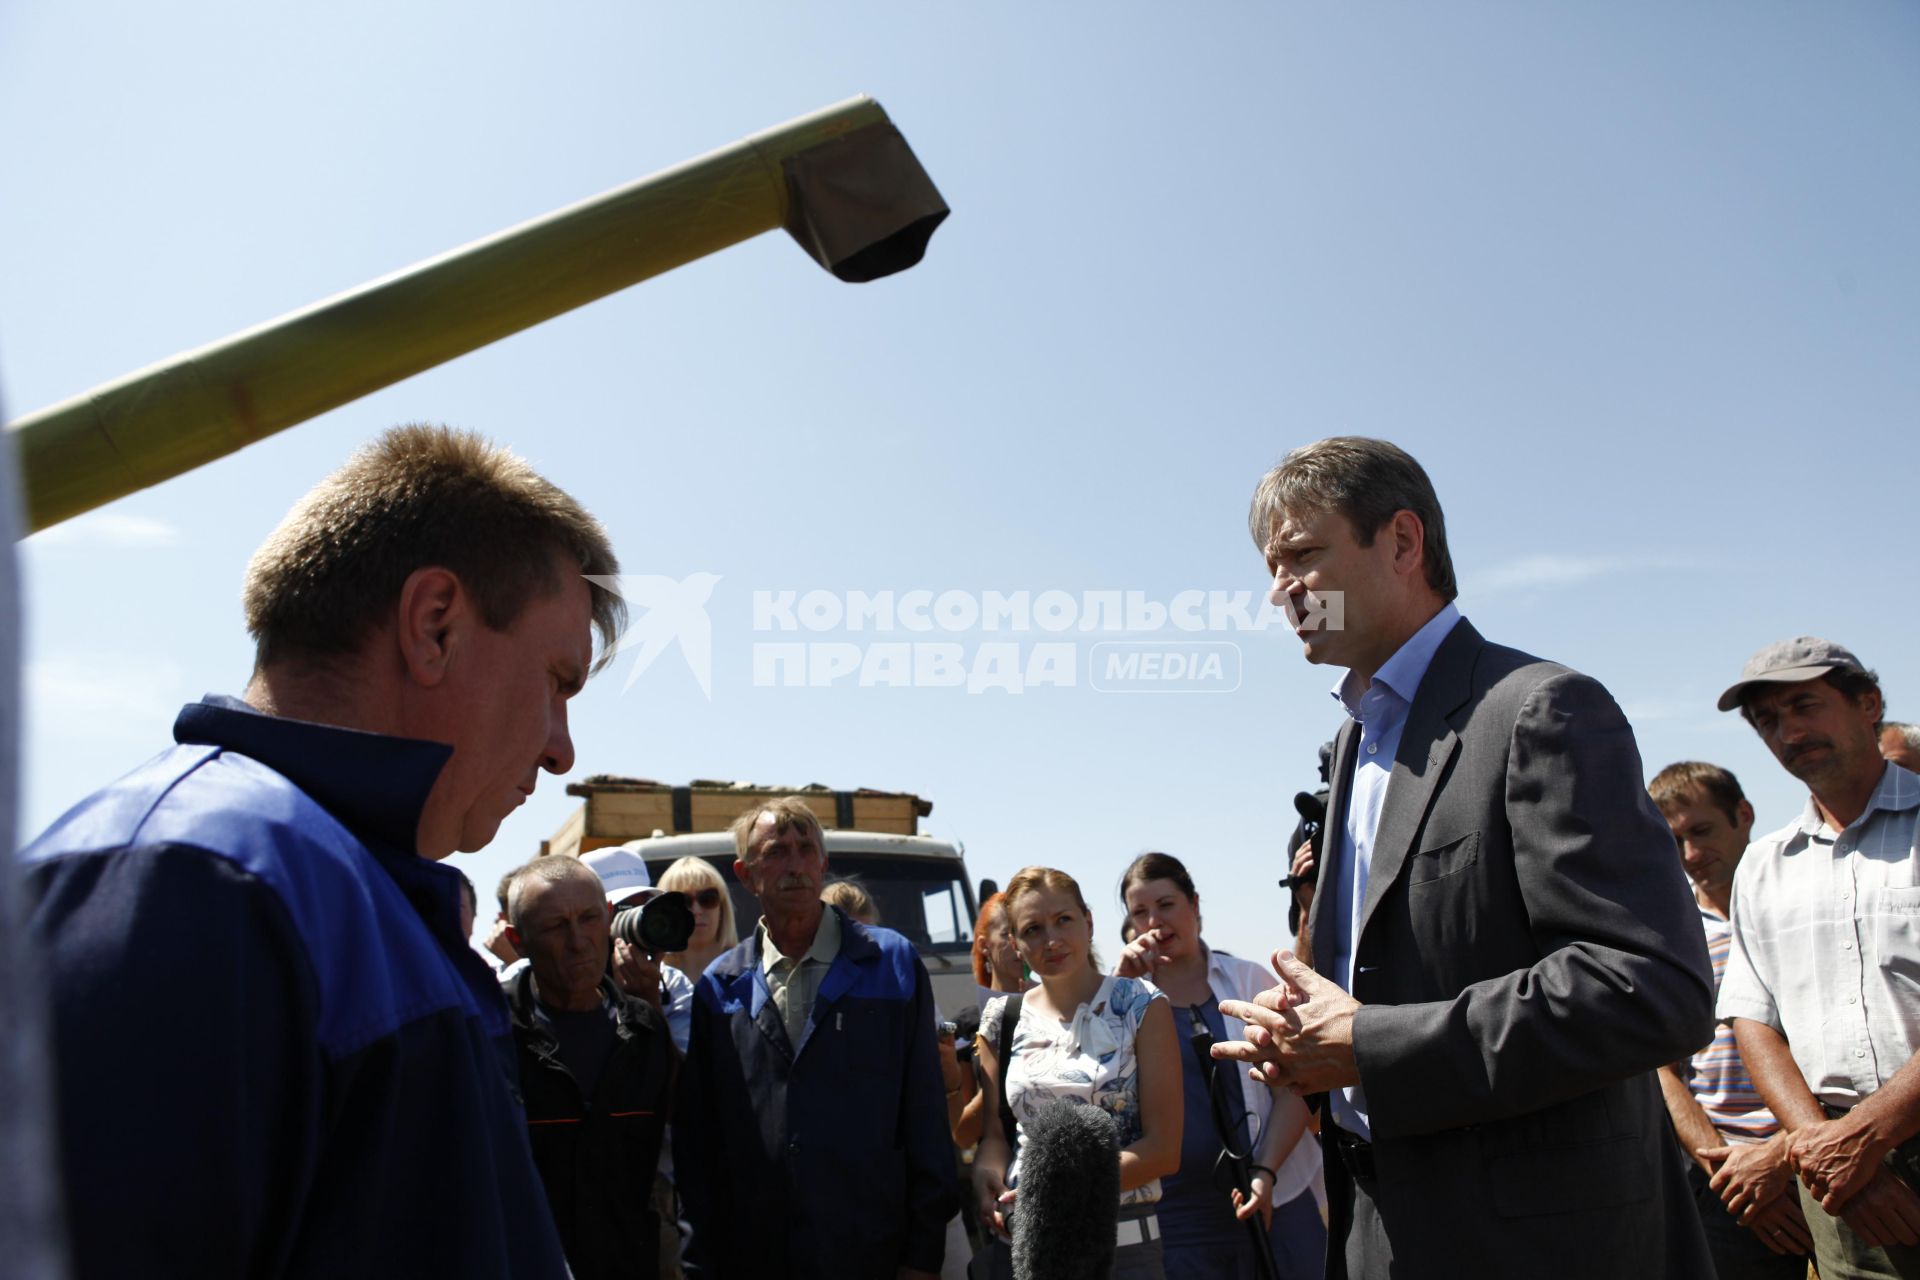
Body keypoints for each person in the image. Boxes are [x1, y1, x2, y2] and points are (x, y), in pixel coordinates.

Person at [19, 424, 623, 1277]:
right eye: (558, 682)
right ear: (436, 626)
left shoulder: (322, 885)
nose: (562, 749)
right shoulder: (190, 879)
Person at [1216, 437, 1716, 1279]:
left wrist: (1371, 1043)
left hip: (1542, 1246)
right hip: (1384, 1233)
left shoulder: (1539, 711)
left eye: (1303, 555)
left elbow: (1650, 988)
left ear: (1403, 543)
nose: (1280, 592)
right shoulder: (1350, 749)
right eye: (1272, 566)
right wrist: (1306, 1046)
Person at [676, 796, 954, 1280]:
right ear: (746, 874)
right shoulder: (720, 987)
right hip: (758, 1256)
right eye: (777, 851)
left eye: (806, 849)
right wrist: (700, 1262)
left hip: (874, 1251)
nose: (795, 864)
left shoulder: (891, 963)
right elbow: (700, 1144)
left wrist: (923, 1254)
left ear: (823, 864)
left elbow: (925, 1116)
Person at [1715, 637, 1920, 1278]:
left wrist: (1867, 1135)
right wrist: (1820, 1145)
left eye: (1805, 705)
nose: (1789, 731)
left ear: (1869, 704)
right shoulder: (1766, 863)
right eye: (1768, 720)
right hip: (1841, 1178)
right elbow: (1753, 1020)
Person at [1115, 852, 1326, 1280]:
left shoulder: (1249, 980)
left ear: (1194, 905)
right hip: (1180, 1217)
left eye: (1166, 905)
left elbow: (1296, 1085)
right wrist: (1118, 992)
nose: (1154, 921)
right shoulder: (1121, 999)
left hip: (1278, 1194)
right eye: (1140, 912)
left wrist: (1264, 1172)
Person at [974, 865, 1181, 1279]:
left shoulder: (1142, 1005)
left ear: (1088, 921)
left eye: (1063, 920)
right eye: (1032, 929)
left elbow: (1163, 1149)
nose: (1051, 940)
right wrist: (986, 1176)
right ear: (1014, 943)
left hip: (1121, 1248)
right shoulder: (1000, 1018)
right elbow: (994, 1137)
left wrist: (1054, 1189)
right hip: (1019, 1249)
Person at [1647, 762, 1811, 1277]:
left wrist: (1782, 1157)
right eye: (1675, 841)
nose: (1692, 855)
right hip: (1723, 1182)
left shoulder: (1805, 914)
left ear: (1744, 815)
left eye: (1702, 831)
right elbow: (1664, 1071)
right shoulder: (1669, 937)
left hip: (1825, 1156)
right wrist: (1729, 1174)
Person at [503, 854, 679, 1280]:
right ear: (517, 939)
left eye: (589, 919)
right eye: (556, 926)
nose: (579, 940)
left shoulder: (646, 1029)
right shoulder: (493, 1035)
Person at [658, 854, 739, 981]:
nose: (697, 911)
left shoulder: (749, 972)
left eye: (708, 899)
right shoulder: (652, 977)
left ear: (722, 908)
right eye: (683, 902)